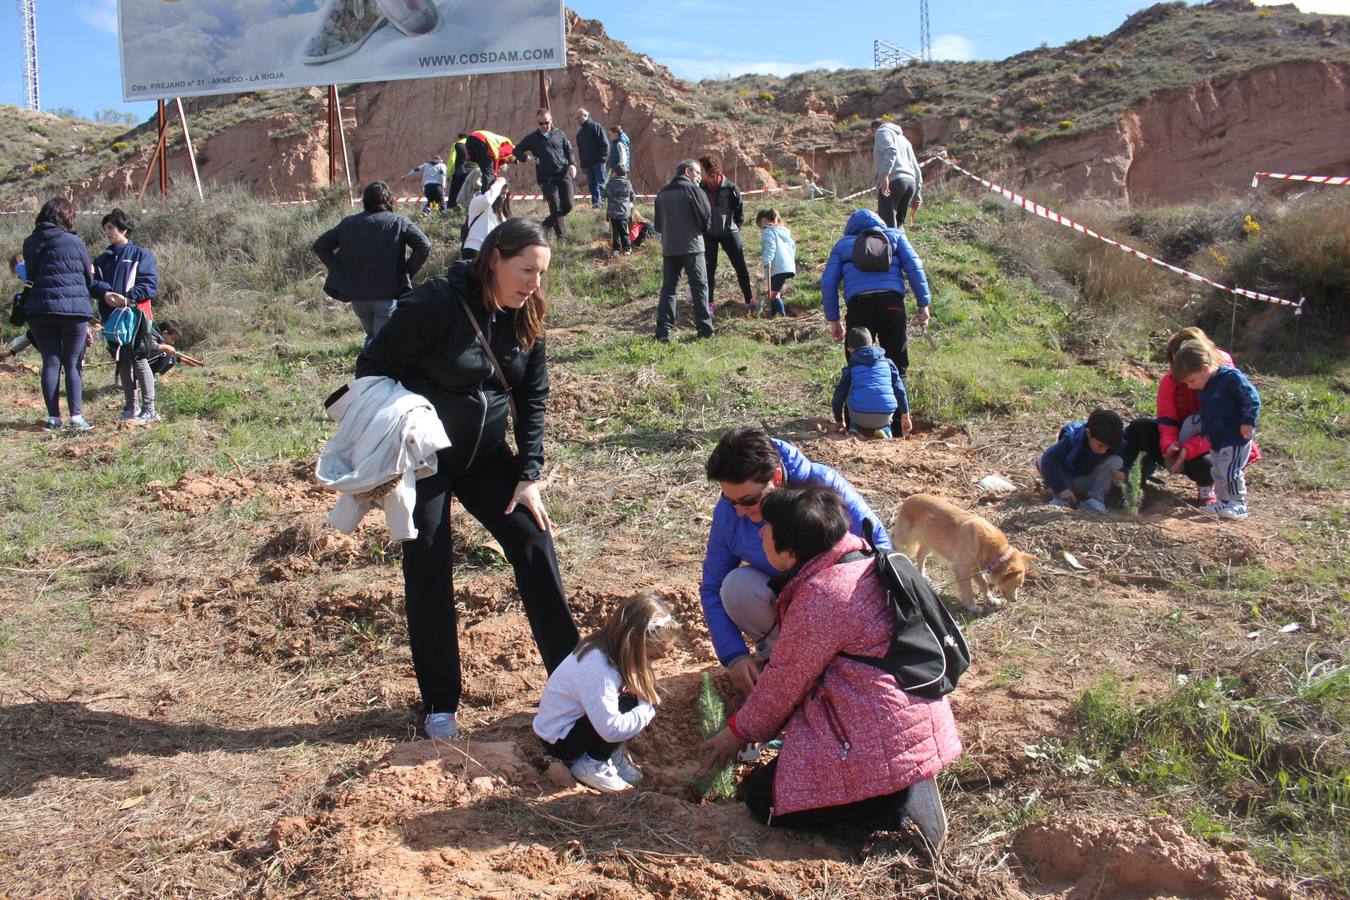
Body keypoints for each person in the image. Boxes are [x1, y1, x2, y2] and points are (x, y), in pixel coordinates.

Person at [355, 218, 580, 739]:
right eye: (526, 271)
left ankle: (571, 679)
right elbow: (372, 366)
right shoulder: (435, 304)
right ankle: (440, 703)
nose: (534, 284)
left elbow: (533, 397)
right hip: (427, 459)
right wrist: (407, 419)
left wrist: (529, 474)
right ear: (493, 259)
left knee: (532, 538)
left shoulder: (529, 315)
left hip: (485, 458)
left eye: (542, 274)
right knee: (428, 555)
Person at [698, 484, 961, 847]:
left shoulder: (823, 596)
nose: (759, 532)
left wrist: (737, 732)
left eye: (768, 530)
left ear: (789, 552)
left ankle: (892, 800)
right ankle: (900, 781)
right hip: (910, 718)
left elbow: (781, 685)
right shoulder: (858, 558)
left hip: (881, 736)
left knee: (765, 801)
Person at [701, 426, 891, 695]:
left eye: (749, 500)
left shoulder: (823, 486)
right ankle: (782, 661)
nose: (740, 512)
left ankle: (840, 661)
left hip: (838, 603)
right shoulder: (730, 512)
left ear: (776, 477)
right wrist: (734, 655)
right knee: (736, 586)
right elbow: (712, 586)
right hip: (786, 603)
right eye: (730, 501)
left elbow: (879, 550)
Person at [533, 594, 675, 792]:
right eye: (649, 657)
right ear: (633, 644)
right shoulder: (599, 669)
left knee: (629, 695)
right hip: (559, 740)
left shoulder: (606, 649)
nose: (649, 664)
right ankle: (592, 764)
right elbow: (611, 729)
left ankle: (606, 754)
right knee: (629, 704)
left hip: (566, 725)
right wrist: (646, 708)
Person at [1123, 327, 1260, 508]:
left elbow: (1223, 423)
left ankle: (1211, 491)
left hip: (1212, 442)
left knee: (1209, 464)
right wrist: (1170, 444)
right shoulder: (1170, 382)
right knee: (1139, 428)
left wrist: (1189, 448)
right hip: (1180, 438)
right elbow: (1167, 419)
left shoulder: (1224, 379)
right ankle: (1135, 487)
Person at [821, 209, 932, 433]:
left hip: (859, 307)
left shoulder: (843, 245)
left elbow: (828, 282)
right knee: (897, 365)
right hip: (892, 305)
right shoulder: (895, 237)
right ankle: (900, 425)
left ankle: (853, 424)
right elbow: (915, 268)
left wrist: (834, 320)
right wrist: (924, 305)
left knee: (857, 363)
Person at [313, 181, 432, 349]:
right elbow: (424, 245)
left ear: (365, 200)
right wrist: (406, 272)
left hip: (358, 298)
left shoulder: (349, 223)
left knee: (372, 338)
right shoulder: (398, 222)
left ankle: (369, 369)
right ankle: (371, 370)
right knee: (380, 344)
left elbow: (320, 245)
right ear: (389, 200)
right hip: (387, 294)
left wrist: (340, 270)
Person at [21, 198, 94, 431]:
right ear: (66, 216)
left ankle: (54, 418)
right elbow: (88, 277)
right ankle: (76, 417)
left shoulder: (29, 243)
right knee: (72, 363)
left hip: (39, 310)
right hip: (73, 311)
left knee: (50, 361)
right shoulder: (74, 241)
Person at [1170, 340, 1261, 520]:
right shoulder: (1206, 386)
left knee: (1230, 470)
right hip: (1217, 437)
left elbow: (1251, 398)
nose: (1190, 386)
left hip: (1235, 435)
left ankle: (1238, 503)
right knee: (1217, 470)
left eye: (1191, 380)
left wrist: (1248, 421)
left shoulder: (1231, 378)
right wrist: (1207, 431)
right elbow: (1208, 412)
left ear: (1205, 368)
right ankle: (1223, 501)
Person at [90, 208, 161, 424]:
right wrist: (105, 293)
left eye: (111, 228)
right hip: (112, 319)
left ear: (123, 228)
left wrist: (127, 298)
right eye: (105, 229)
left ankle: (149, 410)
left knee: (139, 359)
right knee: (122, 361)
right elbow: (91, 283)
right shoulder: (102, 259)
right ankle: (131, 408)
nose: (108, 232)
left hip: (136, 316)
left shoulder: (140, 255)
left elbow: (150, 285)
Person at [652, 159, 713, 342]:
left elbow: (657, 225)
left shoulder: (662, 193)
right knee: (700, 287)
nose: (699, 178)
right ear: (688, 171)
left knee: (669, 289)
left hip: (670, 248)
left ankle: (663, 332)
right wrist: (699, 231)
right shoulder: (694, 190)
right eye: (697, 173)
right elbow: (705, 217)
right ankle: (705, 330)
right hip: (693, 246)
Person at [1038, 408, 1127, 513]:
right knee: (1042, 459)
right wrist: (1061, 489)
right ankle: (1062, 499)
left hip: (1092, 482)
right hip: (1068, 479)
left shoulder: (1117, 442)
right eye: (1100, 445)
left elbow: (1128, 463)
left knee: (1116, 461)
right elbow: (1049, 459)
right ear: (1088, 433)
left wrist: (1124, 473)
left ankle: (1095, 500)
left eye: (1108, 447)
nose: (1104, 451)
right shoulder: (1072, 439)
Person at [698, 155, 754, 314]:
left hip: (730, 232)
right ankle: (709, 303)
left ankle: (749, 299)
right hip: (709, 234)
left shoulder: (731, 188)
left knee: (740, 266)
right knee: (708, 270)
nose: (699, 172)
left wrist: (735, 225)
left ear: (709, 170)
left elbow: (739, 210)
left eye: (701, 169)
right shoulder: (700, 188)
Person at [833, 327, 911, 439]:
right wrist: (905, 415)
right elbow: (900, 390)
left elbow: (838, 397)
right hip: (885, 415)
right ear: (873, 344)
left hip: (859, 415)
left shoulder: (851, 368)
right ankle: (886, 429)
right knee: (887, 386)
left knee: (850, 386)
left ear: (850, 350)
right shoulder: (888, 363)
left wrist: (839, 421)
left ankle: (855, 427)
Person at [515, 109, 576, 240]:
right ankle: (562, 239)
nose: (544, 126)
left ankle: (545, 225)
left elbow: (569, 150)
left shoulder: (559, 134)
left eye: (546, 122)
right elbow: (516, 150)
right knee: (555, 205)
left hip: (563, 173)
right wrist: (526, 159)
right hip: (546, 177)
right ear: (537, 123)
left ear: (551, 120)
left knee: (569, 205)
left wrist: (572, 164)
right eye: (541, 123)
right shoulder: (532, 138)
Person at [872, 119, 923, 228]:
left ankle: (891, 244)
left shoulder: (881, 132)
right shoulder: (904, 140)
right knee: (899, 224)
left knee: (888, 226)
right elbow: (915, 167)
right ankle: (902, 245)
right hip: (910, 183)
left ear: (873, 129)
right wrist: (917, 194)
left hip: (894, 181)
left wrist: (885, 175)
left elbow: (891, 151)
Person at [756, 208, 796, 317]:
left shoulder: (768, 231)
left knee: (774, 294)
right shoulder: (783, 231)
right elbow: (793, 247)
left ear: (763, 220)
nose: (761, 228)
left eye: (760, 225)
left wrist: (767, 261)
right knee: (773, 292)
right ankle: (773, 315)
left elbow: (770, 247)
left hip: (777, 267)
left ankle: (781, 316)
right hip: (785, 266)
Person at [461, 177, 511, 261]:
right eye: (502, 193)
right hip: (474, 250)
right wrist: (499, 183)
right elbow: (488, 201)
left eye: (506, 194)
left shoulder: (502, 214)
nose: (504, 197)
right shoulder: (477, 201)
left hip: (490, 253)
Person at [575, 108, 610, 210]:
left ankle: (604, 204)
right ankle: (596, 205)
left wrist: (603, 159)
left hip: (598, 163)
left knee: (601, 184)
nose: (577, 120)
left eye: (578, 117)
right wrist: (582, 165)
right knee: (592, 185)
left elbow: (605, 144)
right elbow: (581, 151)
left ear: (585, 116)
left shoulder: (596, 127)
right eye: (576, 118)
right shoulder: (580, 134)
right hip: (588, 165)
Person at [603, 164, 635, 256]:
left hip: (612, 213)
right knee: (625, 231)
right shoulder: (628, 183)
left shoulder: (610, 184)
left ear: (615, 173)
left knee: (615, 232)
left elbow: (604, 194)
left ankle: (616, 250)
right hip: (624, 212)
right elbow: (632, 197)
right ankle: (627, 249)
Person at [447, 133, 471, 208]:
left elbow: (452, 160)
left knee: (454, 194)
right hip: (470, 173)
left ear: (459, 138)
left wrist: (448, 174)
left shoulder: (456, 145)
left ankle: (452, 213)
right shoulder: (472, 145)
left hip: (459, 172)